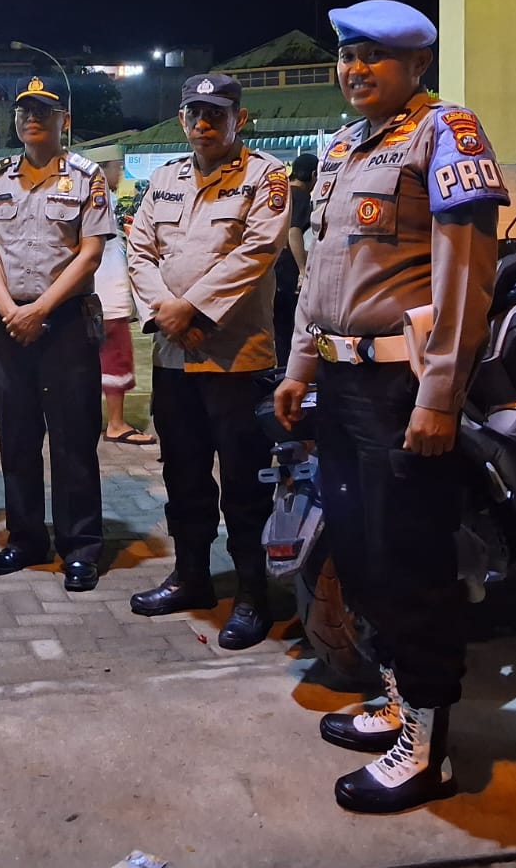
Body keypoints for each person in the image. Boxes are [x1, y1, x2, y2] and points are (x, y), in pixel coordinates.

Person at [273, 0, 509, 814]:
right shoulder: (341, 146)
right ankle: (399, 699)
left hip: (402, 390)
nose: (354, 68)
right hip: (341, 387)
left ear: (416, 66)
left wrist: (440, 397)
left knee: (412, 567)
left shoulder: (447, 134)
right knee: (365, 557)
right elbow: (320, 274)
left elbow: (465, 278)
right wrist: (301, 363)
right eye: (346, 53)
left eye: (373, 55)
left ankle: (430, 749)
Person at [125, 73, 292, 649]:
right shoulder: (165, 178)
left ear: (238, 119)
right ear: (181, 118)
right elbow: (138, 248)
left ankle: (253, 595)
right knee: (183, 476)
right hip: (173, 358)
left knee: (245, 485)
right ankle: (191, 577)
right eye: (195, 113)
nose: (204, 123)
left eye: (216, 114)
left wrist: (192, 309)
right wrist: (166, 314)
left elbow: (258, 252)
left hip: (236, 359)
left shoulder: (265, 177)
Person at [0, 76, 112, 592]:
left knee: (74, 440)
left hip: (66, 324)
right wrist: (10, 309)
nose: (32, 119)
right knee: (18, 438)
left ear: (63, 121)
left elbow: (91, 251)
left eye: (44, 112)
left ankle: (80, 547)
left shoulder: (87, 176)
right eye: (24, 111)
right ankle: (25, 538)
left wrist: (41, 309)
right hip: (10, 325)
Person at [87, 146, 154, 446]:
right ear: (105, 167)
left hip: (96, 294)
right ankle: (115, 423)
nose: (120, 174)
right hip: (106, 296)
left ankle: (90, 421)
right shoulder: (101, 199)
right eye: (118, 167)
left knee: (93, 360)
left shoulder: (92, 197)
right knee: (114, 359)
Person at [273, 152, 317, 353]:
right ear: (314, 175)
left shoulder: (282, 193)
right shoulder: (300, 196)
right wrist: (302, 270)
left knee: (280, 330)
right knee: (290, 329)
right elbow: (294, 231)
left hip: (272, 270)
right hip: (286, 273)